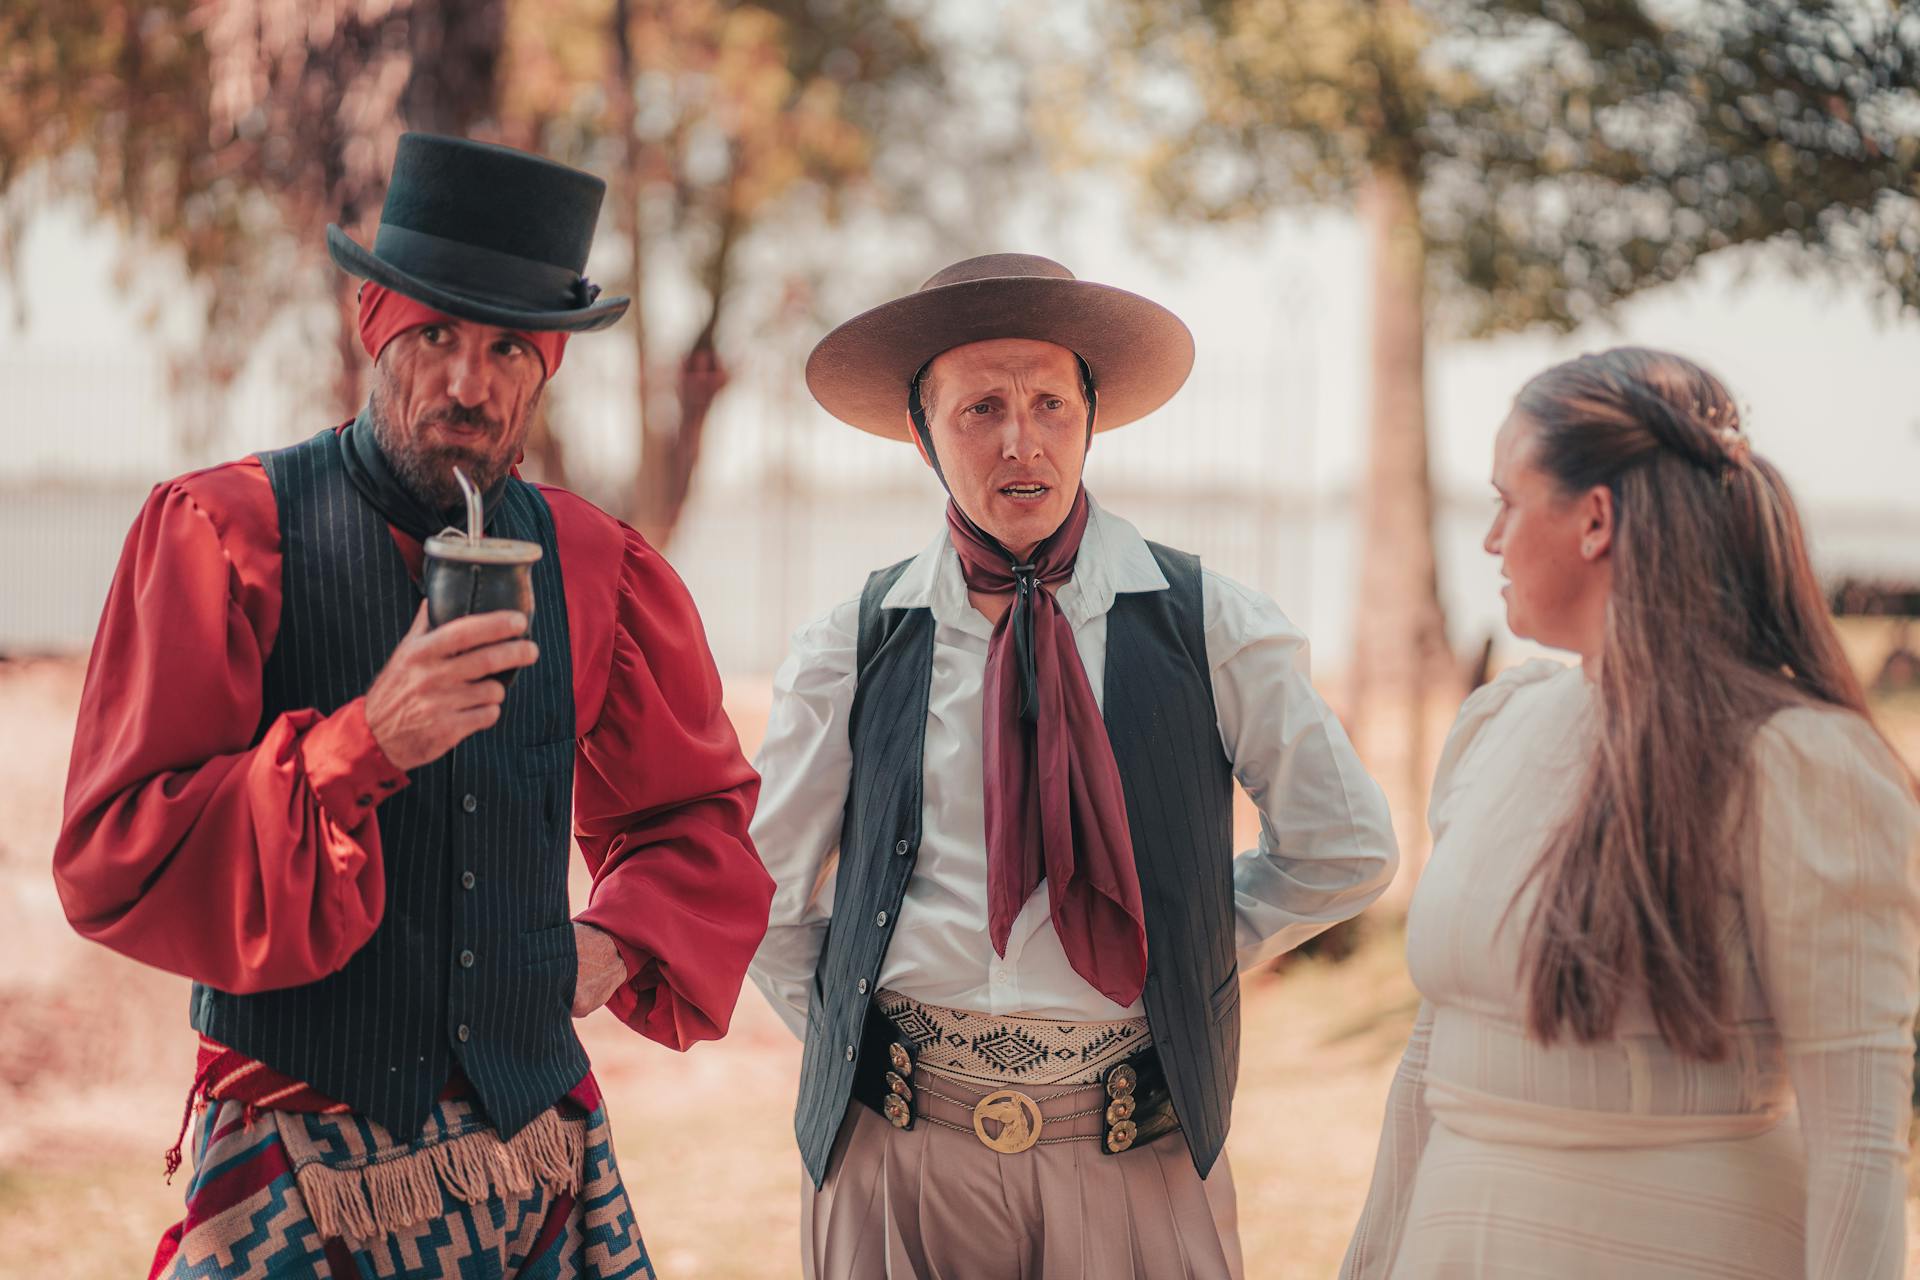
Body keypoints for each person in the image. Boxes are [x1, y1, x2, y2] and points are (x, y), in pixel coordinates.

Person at [52, 133, 774, 1279]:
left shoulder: (603, 566)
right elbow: (113, 850)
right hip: (293, 1159)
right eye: (436, 333)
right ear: (371, 319)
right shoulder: (221, 532)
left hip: (535, 1154)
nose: (466, 382)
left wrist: (612, 944)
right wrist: (360, 744)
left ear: (548, 364)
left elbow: (698, 820)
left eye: (504, 347)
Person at [749, 253, 1400, 1277]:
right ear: (923, 434)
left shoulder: (1211, 622)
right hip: (899, 1156)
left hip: (1133, 1148)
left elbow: (1347, 847)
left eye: (1051, 401)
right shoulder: (853, 642)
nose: (1022, 439)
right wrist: (870, 1051)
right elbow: (767, 895)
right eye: (979, 409)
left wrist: (1182, 949)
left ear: (1091, 419)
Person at [1342, 347, 1920, 1278]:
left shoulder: (1799, 764)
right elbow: (1429, 1060)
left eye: (1507, 501)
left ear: (1595, 521)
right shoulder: (1496, 725)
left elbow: (1858, 1142)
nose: (1490, 540)